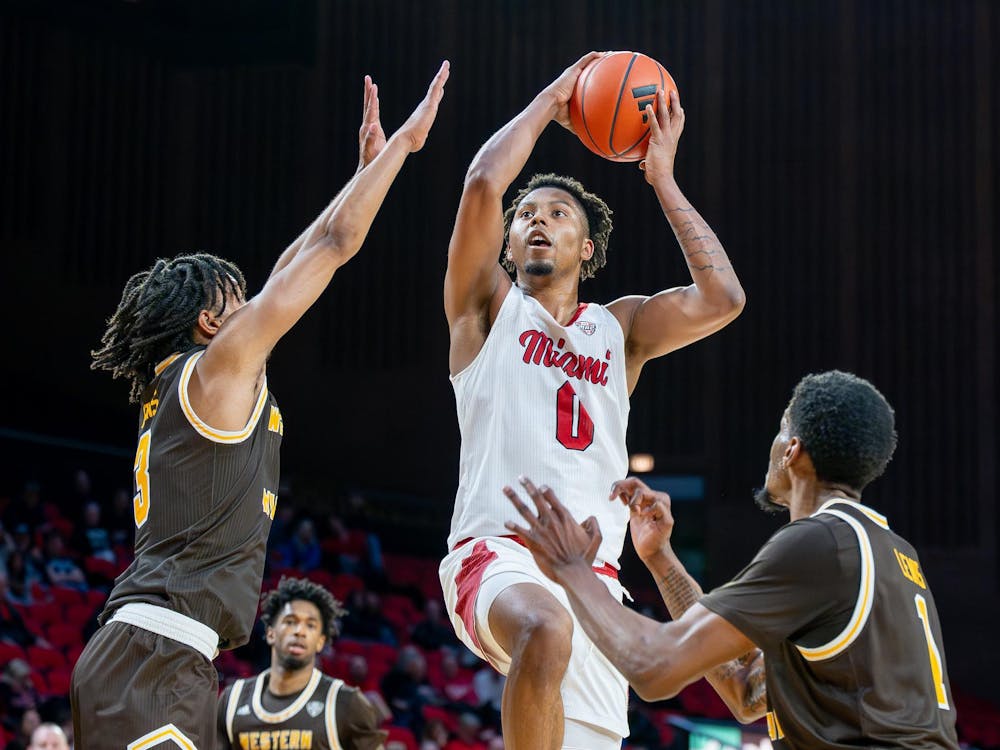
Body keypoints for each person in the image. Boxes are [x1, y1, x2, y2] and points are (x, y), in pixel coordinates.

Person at [71, 62, 449, 750]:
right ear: (209, 323)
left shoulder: (185, 381)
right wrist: (402, 151)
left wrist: (359, 175)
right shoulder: (213, 371)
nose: (252, 307)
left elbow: (293, 263)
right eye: (234, 299)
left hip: (154, 657)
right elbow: (333, 246)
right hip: (153, 658)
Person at [438, 52, 745, 750]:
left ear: (588, 249)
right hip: (500, 554)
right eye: (526, 217)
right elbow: (485, 182)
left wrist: (661, 178)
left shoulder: (621, 328)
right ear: (509, 245)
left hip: (597, 580)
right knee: (543, 628)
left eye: (558, 214)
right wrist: (553, 100)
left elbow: (723, 299)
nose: (537, 221)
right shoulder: (484, 311)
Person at [505, 370, 960, 748]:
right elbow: (746, 691)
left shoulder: (821, 543)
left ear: (793, 450)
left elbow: (653, 668)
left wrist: (572, 569)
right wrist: (661, 558)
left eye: (782, 428)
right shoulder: (890, 551)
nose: (774, 442)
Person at [218, 577, 386, 750]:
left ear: (321, 641)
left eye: (311, 625)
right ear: (270, 633)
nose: (300, 632)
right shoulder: (232, 700)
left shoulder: (346, 702)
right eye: (290, 622)